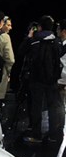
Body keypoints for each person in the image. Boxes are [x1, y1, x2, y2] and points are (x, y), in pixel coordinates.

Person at [19, 15, 64, 144]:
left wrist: (29, 36)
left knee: (36, 107)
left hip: (35, 78)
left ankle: (36, 135)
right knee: (53, 107)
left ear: (39, 27)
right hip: (52, 79)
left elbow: (21, 52)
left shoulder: (34, 40)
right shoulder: (57, 41)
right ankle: (53, 135)